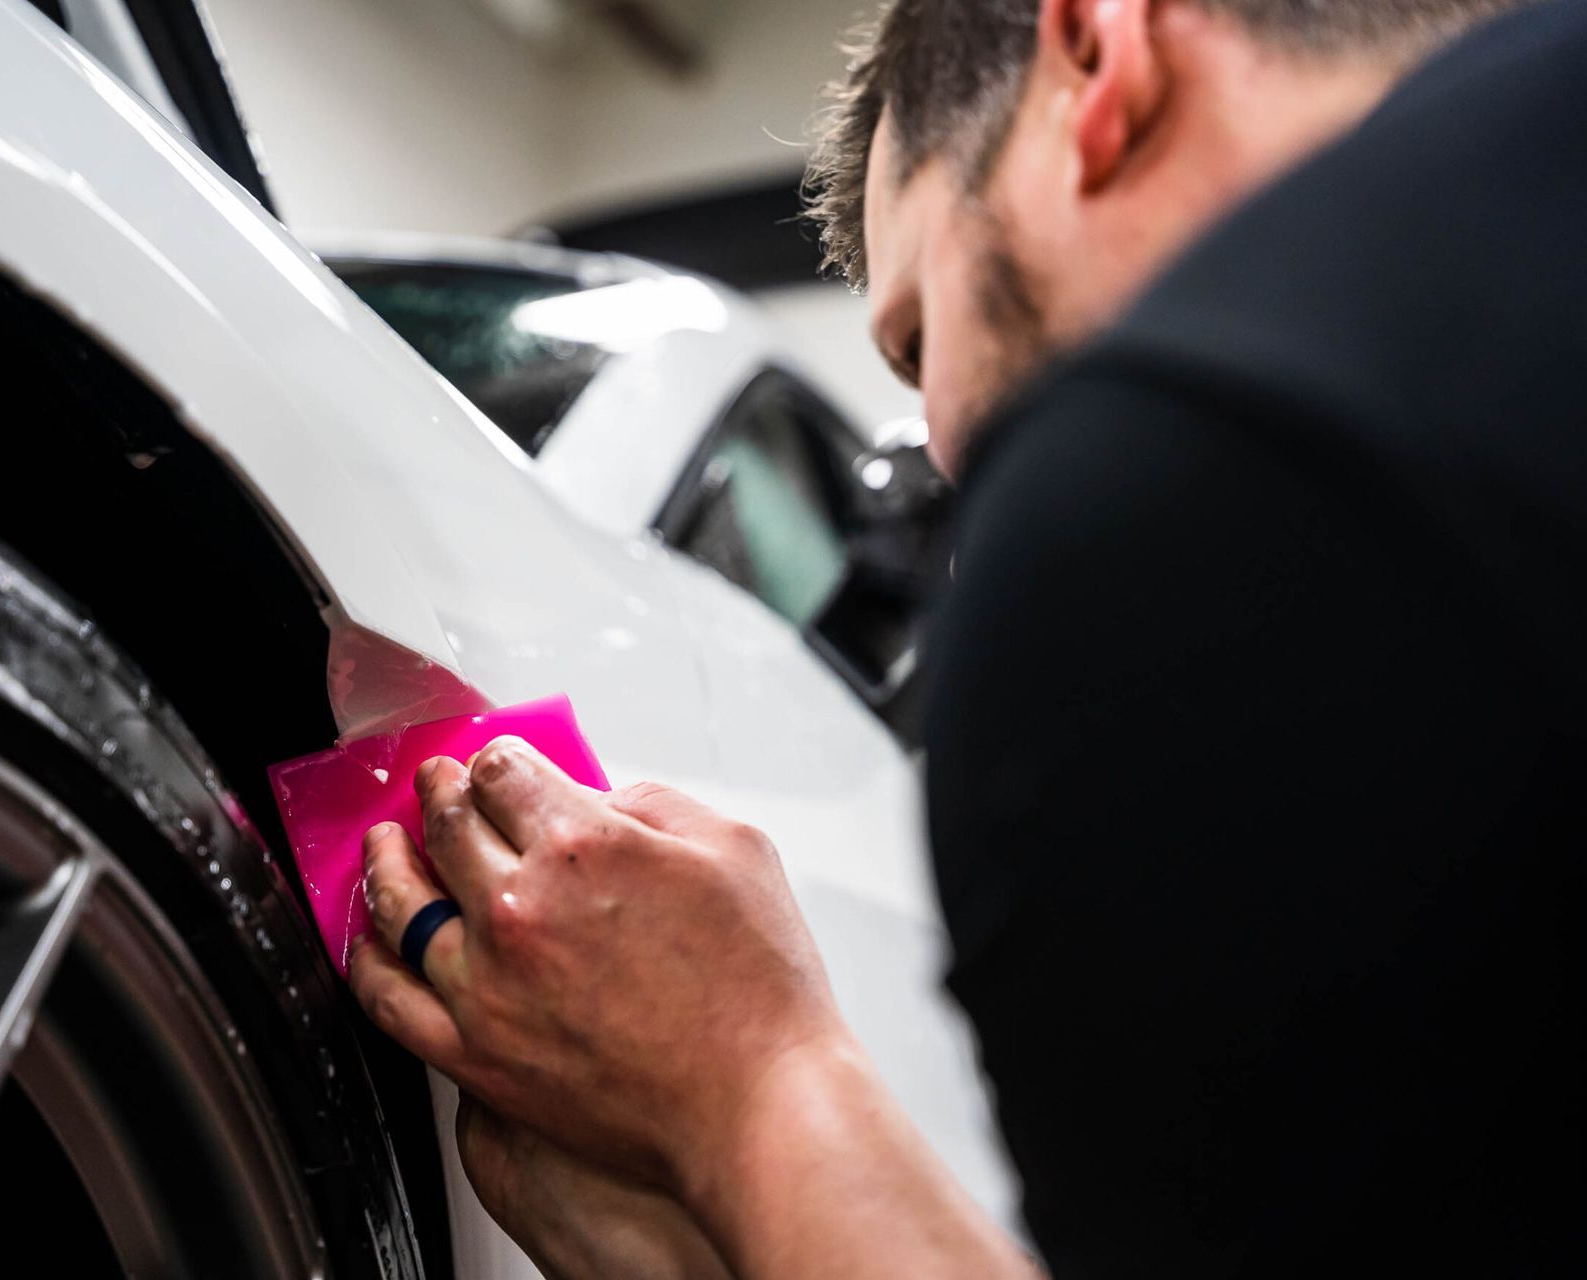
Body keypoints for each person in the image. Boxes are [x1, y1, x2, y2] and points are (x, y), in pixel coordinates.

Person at [352, 0, 1587, 1274]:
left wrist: (751, 1085)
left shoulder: (1183, 505)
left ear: (1104, 60)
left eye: (919, 333)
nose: (940, 448)